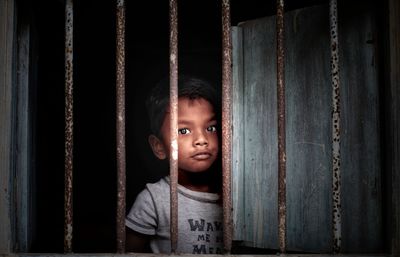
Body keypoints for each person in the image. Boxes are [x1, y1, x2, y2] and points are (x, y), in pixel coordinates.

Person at [125, 76, 223, 254]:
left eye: (211, 128)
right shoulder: (153, 200)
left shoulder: (237, 196)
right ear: (159, 146)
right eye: (183, 131)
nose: (201, 140)